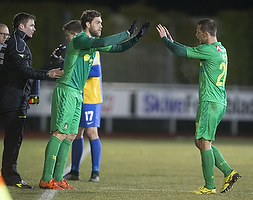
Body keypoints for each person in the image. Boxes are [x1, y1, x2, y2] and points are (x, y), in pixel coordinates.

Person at [39, 9, 150, 190]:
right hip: (67, 91)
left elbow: (117, 48)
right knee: (59, 133)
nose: (101, 25)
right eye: (98, 22)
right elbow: (105, 41)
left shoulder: (91, 44)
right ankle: (46, 178)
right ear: (88, 24)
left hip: (77, 93)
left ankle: (58, 178)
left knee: (71, 136)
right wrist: (127, 33)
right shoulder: (81, 39)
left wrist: (136, 38)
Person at [156, 18, 241, 194]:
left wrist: (165, 40)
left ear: (206, 34)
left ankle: (210, 186)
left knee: (204, 142)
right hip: (216, 101)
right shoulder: (220, 49)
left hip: (210, 102)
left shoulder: (208, 50)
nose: (196, 34)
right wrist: (173, 42)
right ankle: (228, 172)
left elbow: (181, 52)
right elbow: (186, 49)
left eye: (198, 31)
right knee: (201, 142)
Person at [0, 12, 63, 189]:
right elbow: (24, 72)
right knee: (13, 139)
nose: (34, 28)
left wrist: (49, 65)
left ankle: (8, 175)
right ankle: (10, 177)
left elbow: (20, 70)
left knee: (13, 138)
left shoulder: (18, 43)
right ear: (21, 26)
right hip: (13, 98)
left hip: (13, 96)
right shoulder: (18, 43)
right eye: (32, 25)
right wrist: (48, 74)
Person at [55, 20, 102, 182]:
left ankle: (95, 172)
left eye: (68, 35)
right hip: (78, 94)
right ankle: (74, 171)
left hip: (90, 96)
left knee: (91, 132)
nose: (67, 38)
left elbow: (95, 71)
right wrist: (62, 61)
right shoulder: (78, 46)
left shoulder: (91, 45)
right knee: (75, 133)